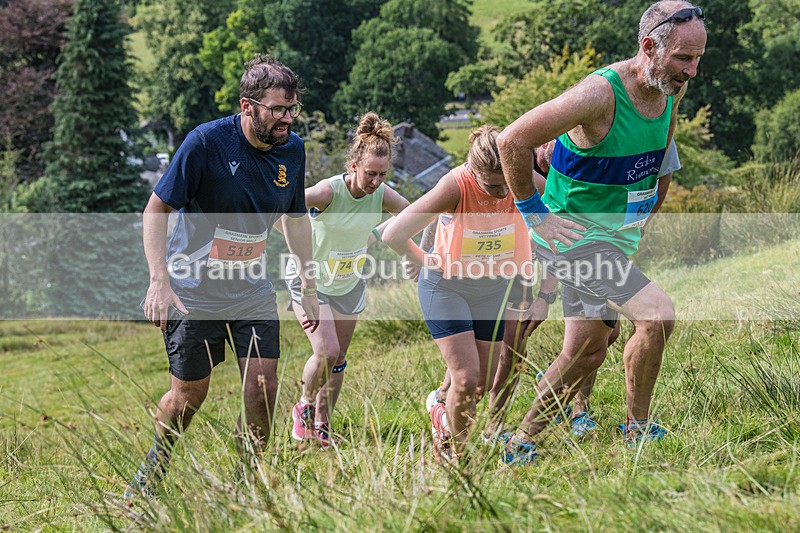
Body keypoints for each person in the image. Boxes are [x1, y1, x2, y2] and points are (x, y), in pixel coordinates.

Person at [497, 0, 705, 464]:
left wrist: (646, 210)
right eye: (682, 59)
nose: (691, 71)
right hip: (572, 238)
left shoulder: (669, 87)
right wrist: (534, 213)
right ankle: (638, 429)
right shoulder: (599, 94)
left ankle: (522, 441)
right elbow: (511, 140)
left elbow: (660, 149)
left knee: (587, 349)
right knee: (657, 315)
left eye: (697, 60)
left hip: (611, 239)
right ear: (649, 47)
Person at [126, 55, 320, 498]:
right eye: (277, 109)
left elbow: (295, 219)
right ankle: (154, 469)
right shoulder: (206, 143)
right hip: (193, 289)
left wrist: (307, 284)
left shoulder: (294, 149)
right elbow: (157, 208)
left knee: (264, 385)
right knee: (189, 396)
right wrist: (159, 280)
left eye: (293, 109)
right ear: (248, 105)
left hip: (251, 287)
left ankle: (245, 488)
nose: (287, 119)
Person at [384, 125, 533, 460]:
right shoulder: (456, 185)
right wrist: (424, 260)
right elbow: (393, 234)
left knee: (480, 385)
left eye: (507, 182)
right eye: (493, 186)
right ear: (474, 172)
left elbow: (559, 203)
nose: (502, 192)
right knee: (466, 379)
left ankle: (439, 408)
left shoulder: (520, 179)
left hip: (493, 287)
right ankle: (459, 460)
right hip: (446, 287)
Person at [284, 112, 410, 447]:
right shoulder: (329, 192)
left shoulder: (381, 194)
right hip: (310, 281)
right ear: (353, 164)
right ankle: (305, 407)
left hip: (348, 283)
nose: (376, 182)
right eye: (370, 173)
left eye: (383, 175)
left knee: (338, 361)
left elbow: (413, 213)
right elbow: (289, 205)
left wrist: (376, 234)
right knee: (327, 351)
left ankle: (323, 426)